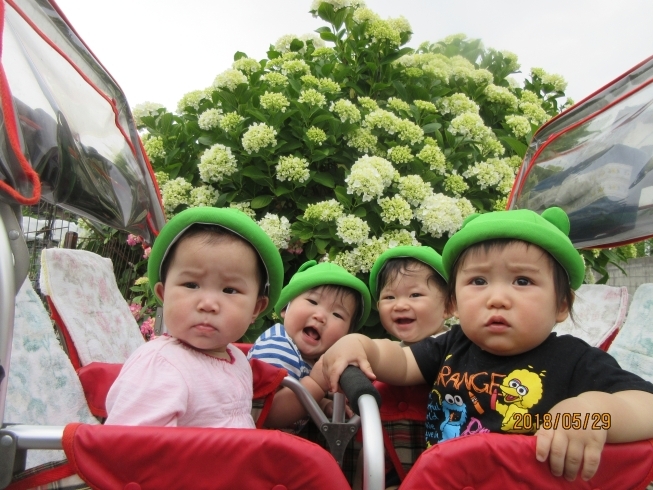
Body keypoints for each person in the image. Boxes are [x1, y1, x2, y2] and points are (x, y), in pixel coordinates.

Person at [316, 207, 653, 482]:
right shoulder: (452, 345)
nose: (497, 298)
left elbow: (644, 406)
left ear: (562, 304)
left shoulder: (575, 360)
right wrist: (363, 344)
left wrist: (589, 412)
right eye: (478, 281)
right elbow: (402, 362)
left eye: (522, 281)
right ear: (455, 302)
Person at [105, 207, 283, 428]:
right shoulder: (161, 365)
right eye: (191, 285)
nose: (208, 304)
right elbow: (130, 450)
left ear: (256, 308)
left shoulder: (237, 360)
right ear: (163, 295)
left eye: (229, 290)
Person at [247, 259, 371, 428]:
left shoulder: (307, 357)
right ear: (285, 308)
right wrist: (316, 384)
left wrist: (322, 404)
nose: (320, 316)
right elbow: (265, 416)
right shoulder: (277, 347)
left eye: (337, 314)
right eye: (313, 302)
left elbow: (291, 396)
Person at [369, 246, 448, 346]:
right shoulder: (389, 354)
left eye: (415, 295)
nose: (400, 306)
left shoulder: (459, 349)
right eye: (390, 297)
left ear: (448, 306)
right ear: (378, 307)